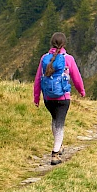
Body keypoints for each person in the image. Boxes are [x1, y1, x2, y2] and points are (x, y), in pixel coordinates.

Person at [33, 32, 86, 165]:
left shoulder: (44, 58)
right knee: (60, 124)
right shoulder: (68, 59)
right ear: (64, 44)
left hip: (48, 98)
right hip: (63, 97)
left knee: (55, 120)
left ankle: (59, 145)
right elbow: (76, 77)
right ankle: (55, 154)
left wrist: (36, 97)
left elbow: (38, 79)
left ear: (51, 43)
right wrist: (81, 91)